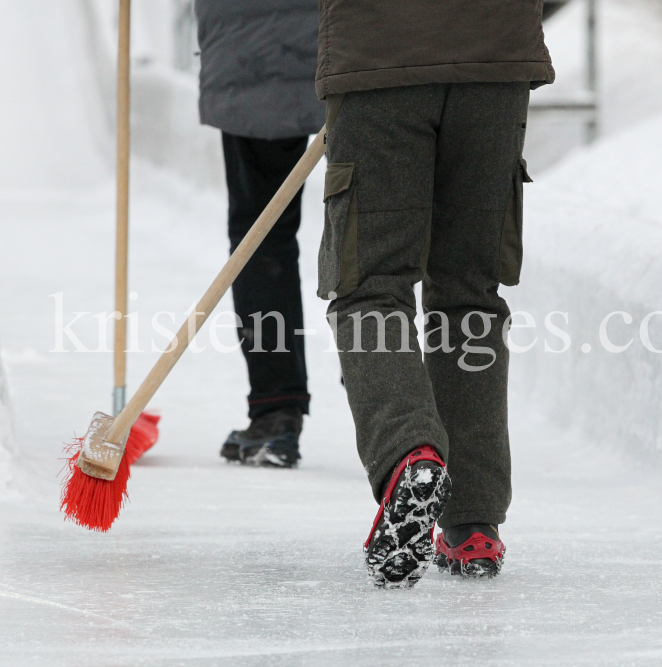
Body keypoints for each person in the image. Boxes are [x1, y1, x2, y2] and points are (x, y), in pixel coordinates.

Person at [315, 1, 554, 587]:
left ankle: (409, 455)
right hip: (495, 59)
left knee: (371, 286)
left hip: (378, 57)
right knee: (469, 293)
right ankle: (472, 525)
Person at [196, 0, 324, 467]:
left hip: (249, 49)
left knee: (262, 234)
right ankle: (398, 411)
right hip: (357, 41)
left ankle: (276, 412)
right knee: (376, 231)